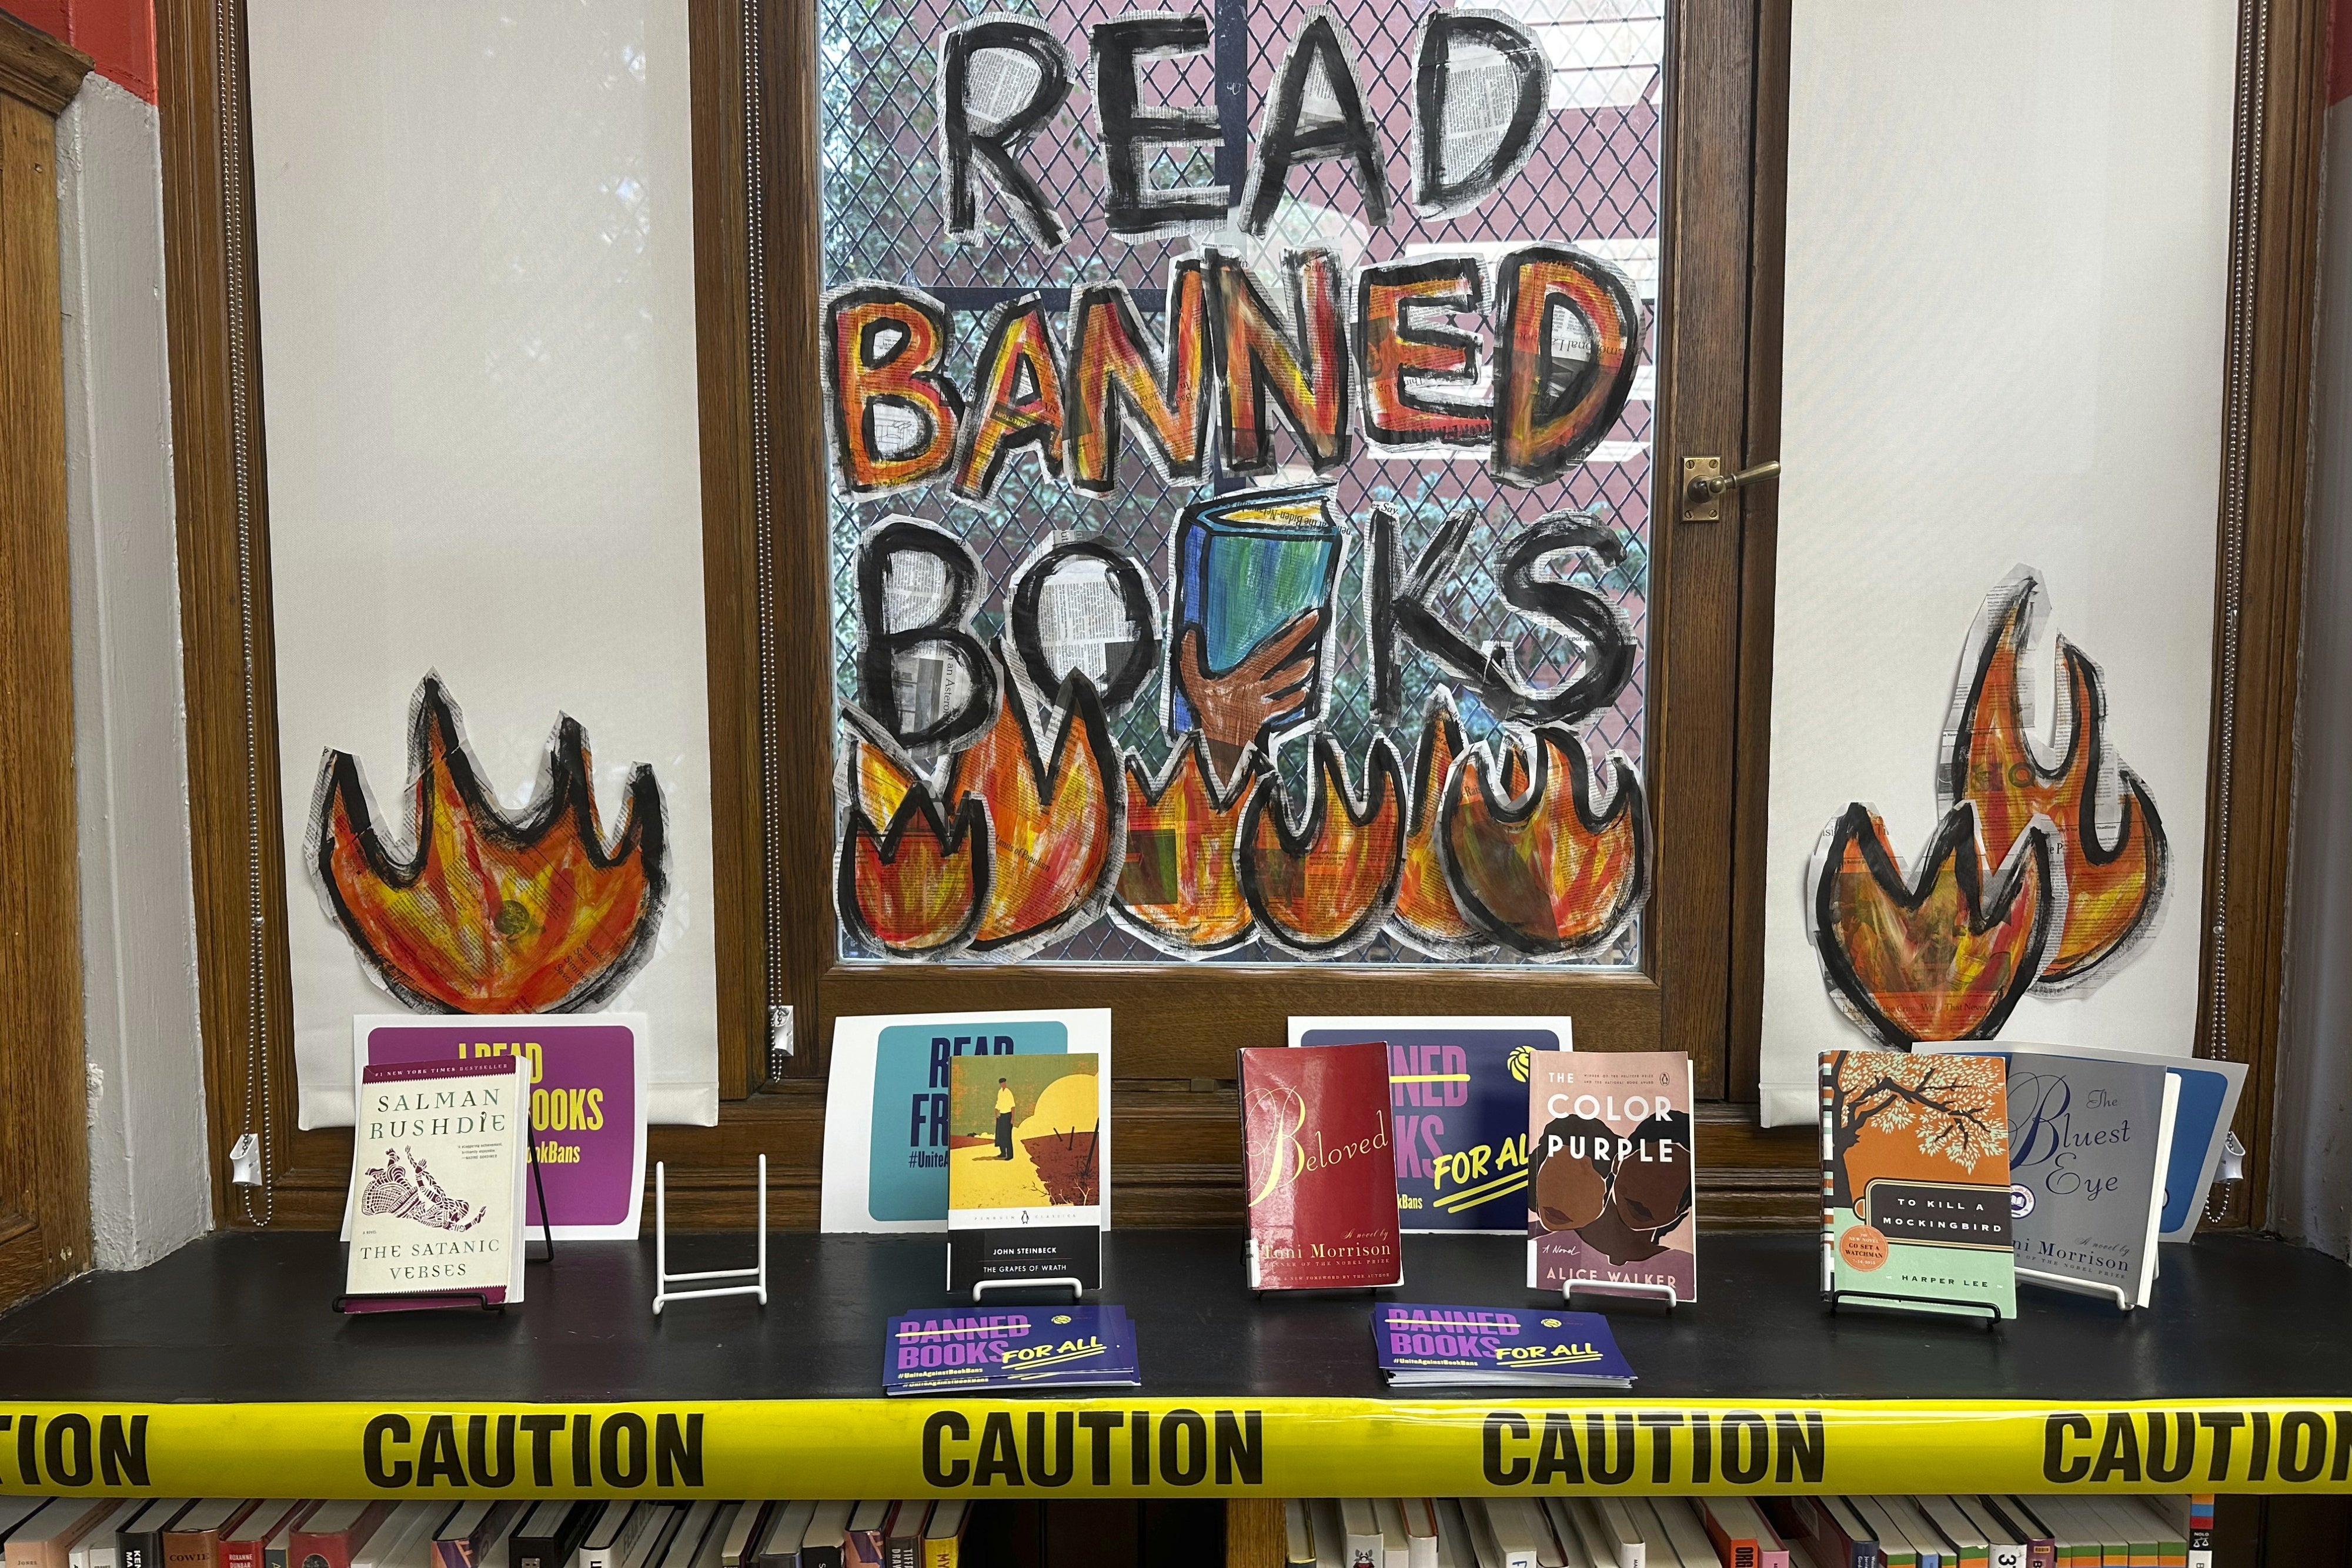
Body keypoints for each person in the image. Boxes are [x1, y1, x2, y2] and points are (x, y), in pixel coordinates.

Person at [993, 1078, 1015, 1161]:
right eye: (1002, 1083)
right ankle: (1003, 1153)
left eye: (1004, 1083)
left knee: (1007, 1136)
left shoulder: (1008, 1092)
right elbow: (998, 1103)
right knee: (1001, 1135)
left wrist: (1012, 1118)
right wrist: (996, 1112)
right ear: (1000, 1084)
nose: (1003, 1084)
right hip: (1001, 1115)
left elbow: (1013, 1106)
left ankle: (1010, 1155)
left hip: (1008, 1116)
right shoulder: (1000, 1092)